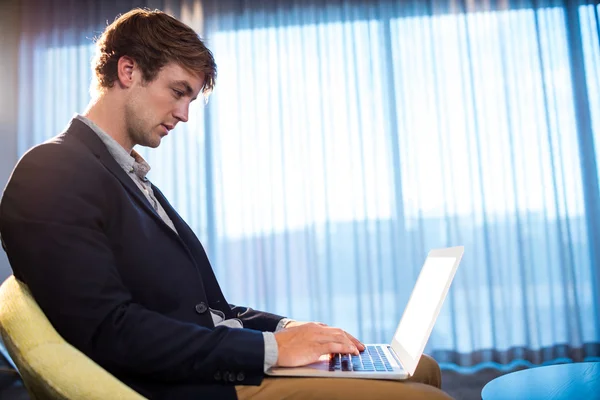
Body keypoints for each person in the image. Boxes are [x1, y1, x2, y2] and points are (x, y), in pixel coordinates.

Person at [0, 8, 451, 400]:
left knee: (422, 366)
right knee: (422, 392)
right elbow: (109, 331)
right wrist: (273, 352)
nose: (184, 114)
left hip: (215, 365)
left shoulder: (129, 179)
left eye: (191, 99)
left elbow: (208, 308)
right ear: (128, 71)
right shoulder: (53, 169)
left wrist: (291, 330)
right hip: (190, 386)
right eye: (178, 92)